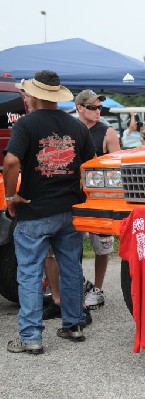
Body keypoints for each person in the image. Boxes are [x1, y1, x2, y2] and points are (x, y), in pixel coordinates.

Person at [4, 70, 96, 354]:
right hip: (69, 210)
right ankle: (74, 325)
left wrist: (11, 196)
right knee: (71, 268)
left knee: (30, 272)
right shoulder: (77, 127)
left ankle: (31, 337)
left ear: (33, 95)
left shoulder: (26, 125)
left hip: (34, 211)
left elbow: (10, 161)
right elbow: (90, 167)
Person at [75, 90, 121, 308]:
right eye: (93, 107)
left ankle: (98, 289)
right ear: (80, 108)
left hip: (100, 198)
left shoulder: (107, 132)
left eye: (99, 107)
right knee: (71, 245)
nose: (97, 111)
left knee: (102, 246)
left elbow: (117, 165)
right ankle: (79, 284)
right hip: (74, 196)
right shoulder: (70, 129)